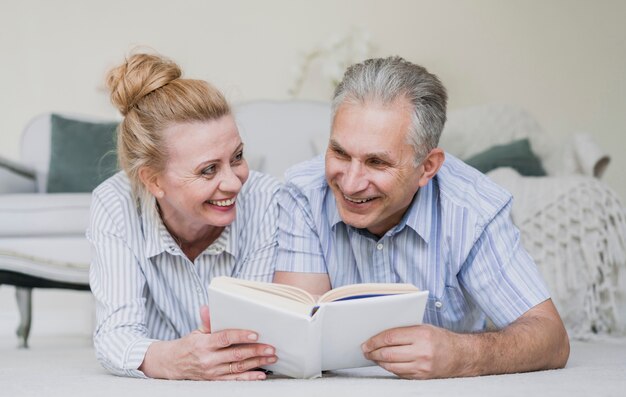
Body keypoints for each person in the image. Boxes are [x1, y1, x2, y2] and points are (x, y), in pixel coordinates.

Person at [274, 56, 570, 379]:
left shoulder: (473, 210)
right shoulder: (303, 192)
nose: (350, 183)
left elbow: (552, 338)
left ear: (427, 167)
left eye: (376, 162)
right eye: (340, 153)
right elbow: (299, 336)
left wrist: (460, 354)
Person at [88, 53, 279, 380]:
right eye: (208, 170)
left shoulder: (266, 199)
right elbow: (114, 335)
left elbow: (253, 337)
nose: (234, 182)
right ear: (153, 180)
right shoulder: (114, 203)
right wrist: (171, 359)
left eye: (237, 157)